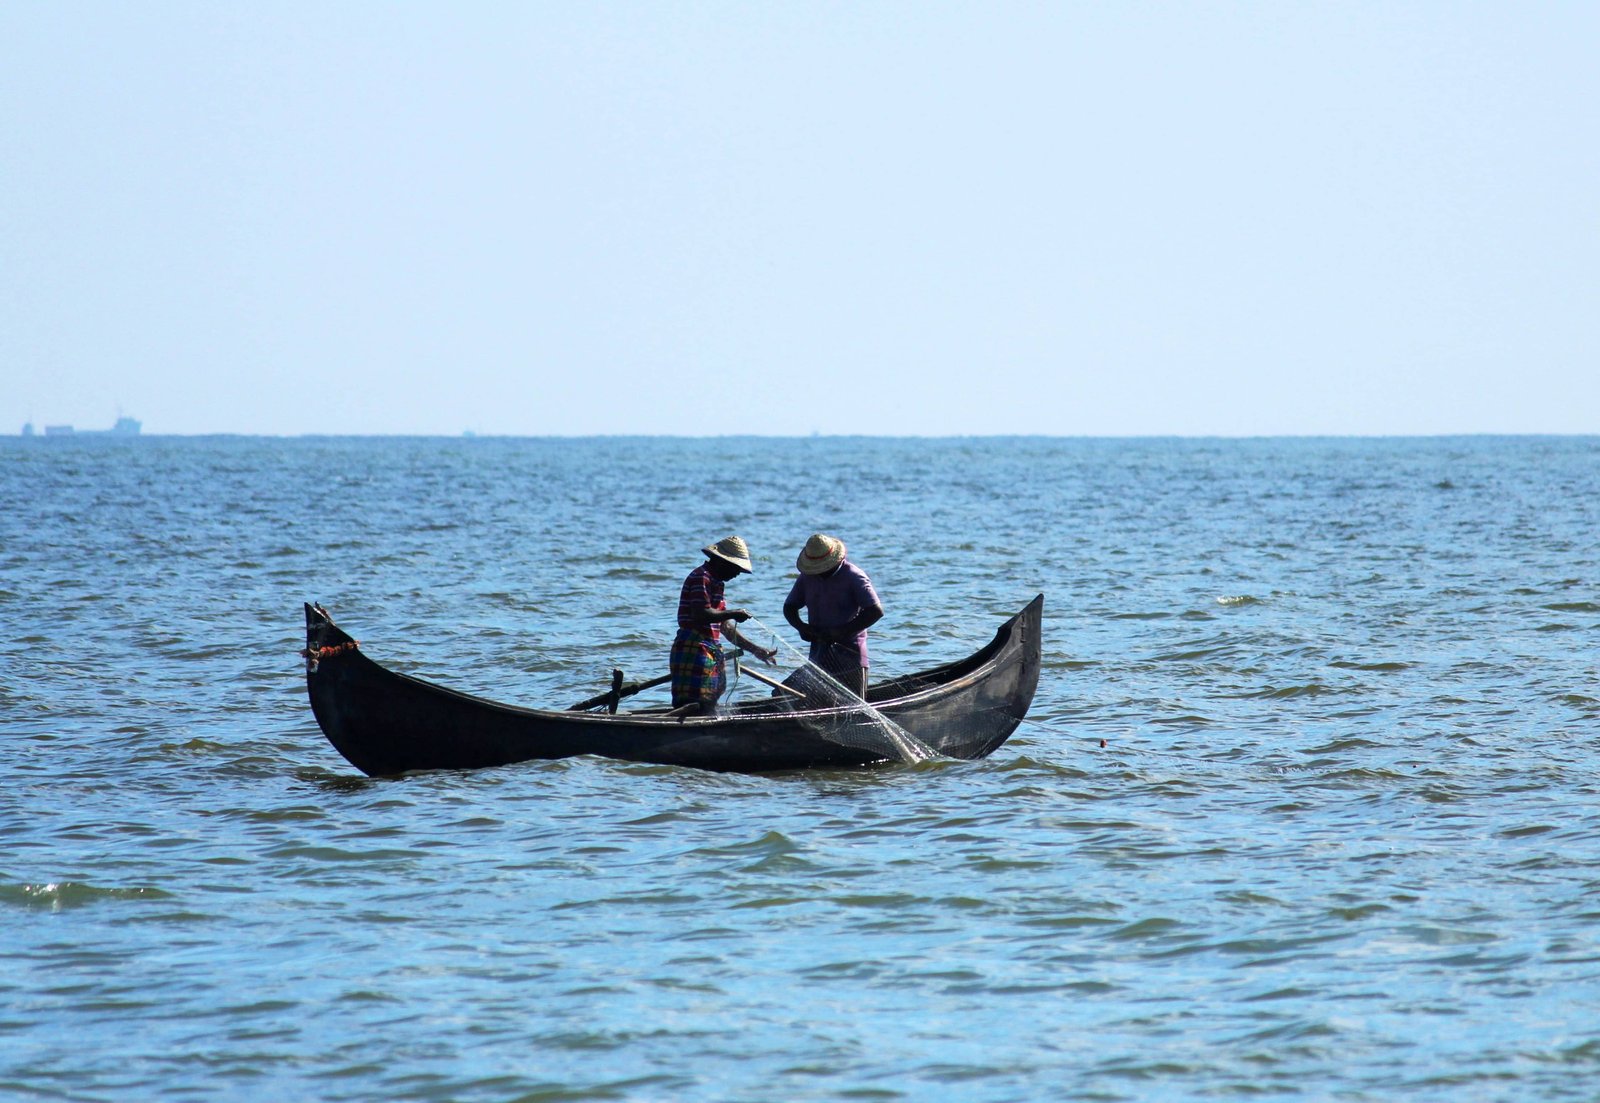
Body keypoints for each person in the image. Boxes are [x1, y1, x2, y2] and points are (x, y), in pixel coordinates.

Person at [671, 535, 776, 714]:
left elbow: (725, 627)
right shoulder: (701, 577)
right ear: (722, 561)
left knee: (710, 701)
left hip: (709, 650)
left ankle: (705, 735)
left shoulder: (716, 583)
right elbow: (701, 614)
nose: (736, 574)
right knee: (694, 703)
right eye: (736, 568)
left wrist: (756, 649)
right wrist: (734, 613)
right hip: (694, 649)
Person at [782, 533, 883, 700]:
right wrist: (802, 627)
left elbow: (875, 610)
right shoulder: (808, 577)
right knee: (788, 694)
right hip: (819, 654)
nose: (819, 571)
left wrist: (842, 631)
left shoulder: (853, 576)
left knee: (854, 706)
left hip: (850, 655)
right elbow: (790, 607)